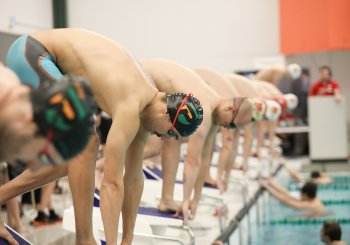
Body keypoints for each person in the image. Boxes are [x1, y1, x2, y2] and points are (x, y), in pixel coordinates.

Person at [3, 29, 203, 244]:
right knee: (86, 142)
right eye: (171, 133)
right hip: (34, 53)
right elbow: (111, 184)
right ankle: (85, 239)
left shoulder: (145, 109)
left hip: (45, 59)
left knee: (70, 160)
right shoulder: (132, 104)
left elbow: (133, 180)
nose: (164, 138)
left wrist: (127, 240)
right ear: (166, 114)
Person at [140, 59, 254, 223]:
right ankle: (102, 169)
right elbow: (192, 160)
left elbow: (205, 159)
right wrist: (186, 200)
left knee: (172, 139)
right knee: (151, 147)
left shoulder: (214, 107)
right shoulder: (205, 111)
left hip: (151, 77)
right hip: (142, 76)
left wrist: (195, 199)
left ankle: (166, 199)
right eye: (230, 124)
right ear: (230, 109)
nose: (227, 128)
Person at [261, 179, 326, 217]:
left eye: (301, 194)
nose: (300, 195)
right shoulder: (312, 198)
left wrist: (268, 188)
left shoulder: (311, 205)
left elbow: (288, 202)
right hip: (313, 215)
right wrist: (271, 184)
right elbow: (289, 194)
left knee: (294, 217)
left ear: (305, 195)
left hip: (315, 217)